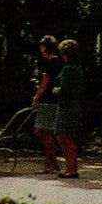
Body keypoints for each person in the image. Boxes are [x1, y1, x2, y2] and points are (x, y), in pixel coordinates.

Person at [53, 38, 84, 178]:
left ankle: (71, 169)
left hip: (66, 106)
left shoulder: (67, 69)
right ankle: (71, 168)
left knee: (64, 136)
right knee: (69, 137)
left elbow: (64, 90)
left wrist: (55, 90)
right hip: (75, 105)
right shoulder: (78, 68)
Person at [31, 35, 62, 173]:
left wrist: (36, 97)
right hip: (54, 99)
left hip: (48, 99)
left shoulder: (49, 62)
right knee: (45, 132)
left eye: (42, 46)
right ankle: (50, 163)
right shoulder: (59, 61)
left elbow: (45, 80)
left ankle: (52, 163)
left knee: (42, 131)